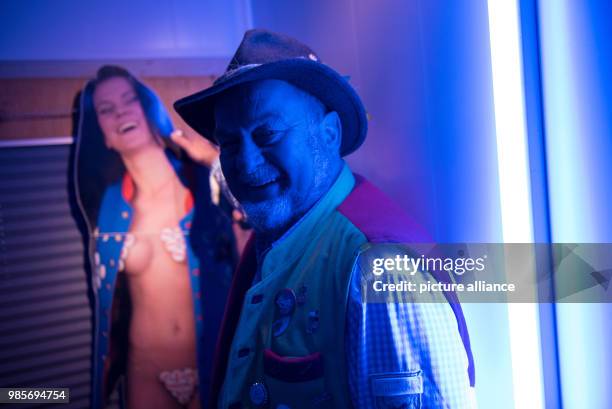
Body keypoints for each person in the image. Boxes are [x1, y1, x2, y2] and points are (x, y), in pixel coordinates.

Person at [174, 30, 476, 409]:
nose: (245, 163)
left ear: (329, 134)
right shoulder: (280, 234)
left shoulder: (380, 270)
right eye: (231, 143)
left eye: (268, 134)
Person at [74, 66, 238, 409]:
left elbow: (252, 217)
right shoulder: (105, 208)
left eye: (128, 100)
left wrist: (216, 162)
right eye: (106, 109)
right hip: (144, 372)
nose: (119, 112)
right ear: (103, 133)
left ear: (148, 109)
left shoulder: (203, 180)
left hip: (214, 367)